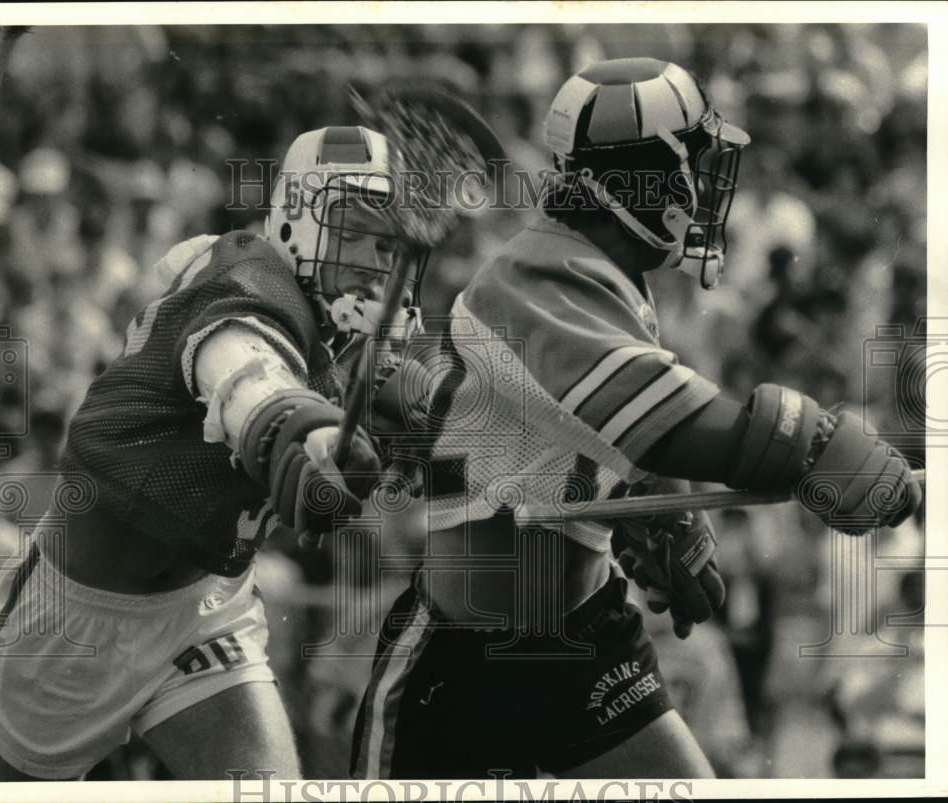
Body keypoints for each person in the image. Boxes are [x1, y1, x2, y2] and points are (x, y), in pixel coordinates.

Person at [350, 58, 922, 779]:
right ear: (626, 181)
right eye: (692, 161)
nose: (710, 183)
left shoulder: (606, 277)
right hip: (471, 655)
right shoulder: (534, 277)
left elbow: (572, 443)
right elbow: (664, 423)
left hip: (587, 637)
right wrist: (812, 442)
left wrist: (642, 512)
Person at [0, 125, 426, 781]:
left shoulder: (339, 329)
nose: (376, 260)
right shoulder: (249, 284)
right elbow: (246, 376)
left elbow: (408, 406)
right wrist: (296, 436)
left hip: (206, 607)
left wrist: (444, 429)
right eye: (355, 230)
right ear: (298, 215)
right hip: (79, 619)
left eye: (387, 242)